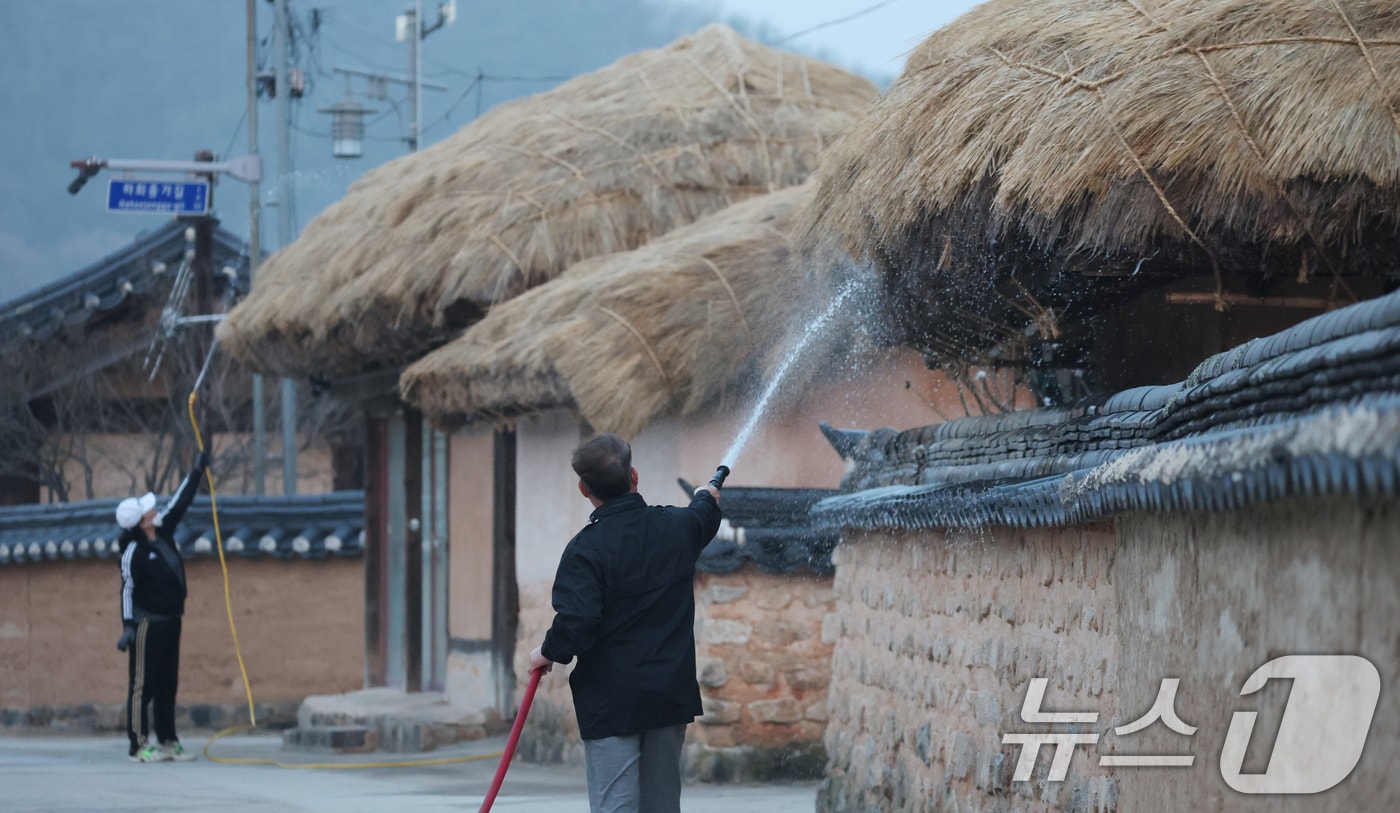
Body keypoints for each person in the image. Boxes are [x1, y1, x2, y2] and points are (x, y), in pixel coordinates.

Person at [528, 433, 722, 813]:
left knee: (616, 807)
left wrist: (547, 652)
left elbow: (578, 621)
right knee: (662, 806)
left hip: (611, 701)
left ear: (584, 489)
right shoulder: (677, 527)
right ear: (634, 476)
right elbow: (705, 515)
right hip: (668, 693)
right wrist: (705, 495)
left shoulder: (585, 550)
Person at [115, 450, 210, 763]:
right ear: (141, 523)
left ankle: (168, 739)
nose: (154, 511)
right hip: (147, 624)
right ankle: (139, 744)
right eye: (148, 511)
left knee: (168, 682)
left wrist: (196, 470)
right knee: (144, 685)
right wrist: (128, 625)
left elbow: (180, 501)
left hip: (172, 620)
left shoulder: (164, 529)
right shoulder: (134, 551)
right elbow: (127, 588)